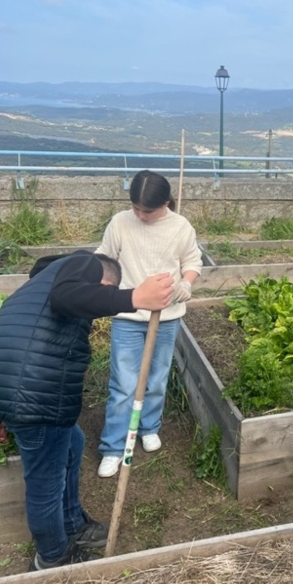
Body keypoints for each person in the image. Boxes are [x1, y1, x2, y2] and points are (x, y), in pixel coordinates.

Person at [0, 251, 174, 570]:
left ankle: (72, 524)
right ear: (103, 281)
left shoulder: (33, 292)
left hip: (21, 396)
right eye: (103, 291)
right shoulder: (84, 265)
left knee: (73, 443)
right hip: (39, 400)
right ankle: (52, 558)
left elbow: (9, 348)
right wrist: (133, 297)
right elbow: (70, 297)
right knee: (45, 484)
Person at [94, 170, 204, 478]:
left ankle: (149, 427)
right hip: (128, 316)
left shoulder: (180, 227)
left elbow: (193, 262)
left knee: (156, 378)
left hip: (166, 317)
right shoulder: (120, 222)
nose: (140, 215)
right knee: (123, 384)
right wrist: (105, 286)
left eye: (148, 210)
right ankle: (114, 446)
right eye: (136, 208)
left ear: (166, 202)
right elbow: (104, 258)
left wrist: (186, 282)